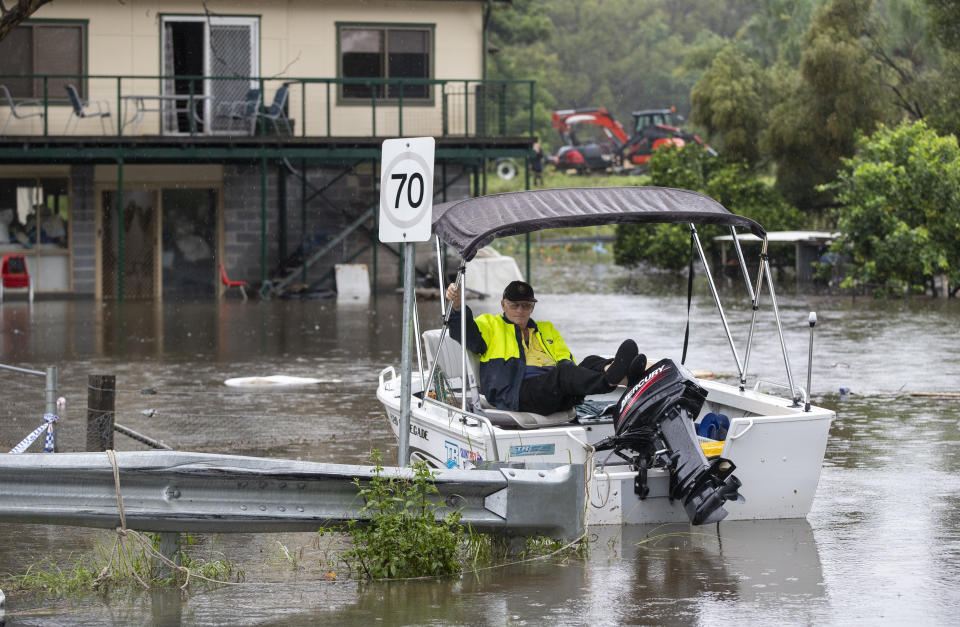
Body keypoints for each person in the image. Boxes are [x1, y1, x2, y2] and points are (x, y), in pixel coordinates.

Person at [445, 280, 644, 415]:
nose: (520, 310)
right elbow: (465, 333)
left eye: (526, 305)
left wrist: (579, 375)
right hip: (517, 393)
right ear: (503, 305)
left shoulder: (546, 329)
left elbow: (566, 360)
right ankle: (610, 381)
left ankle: (624, 377)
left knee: (590, 361)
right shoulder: (489, 325)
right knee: (564, 374)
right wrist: (457, 306)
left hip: (553, 391)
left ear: (532, 307)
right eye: (515, 305)